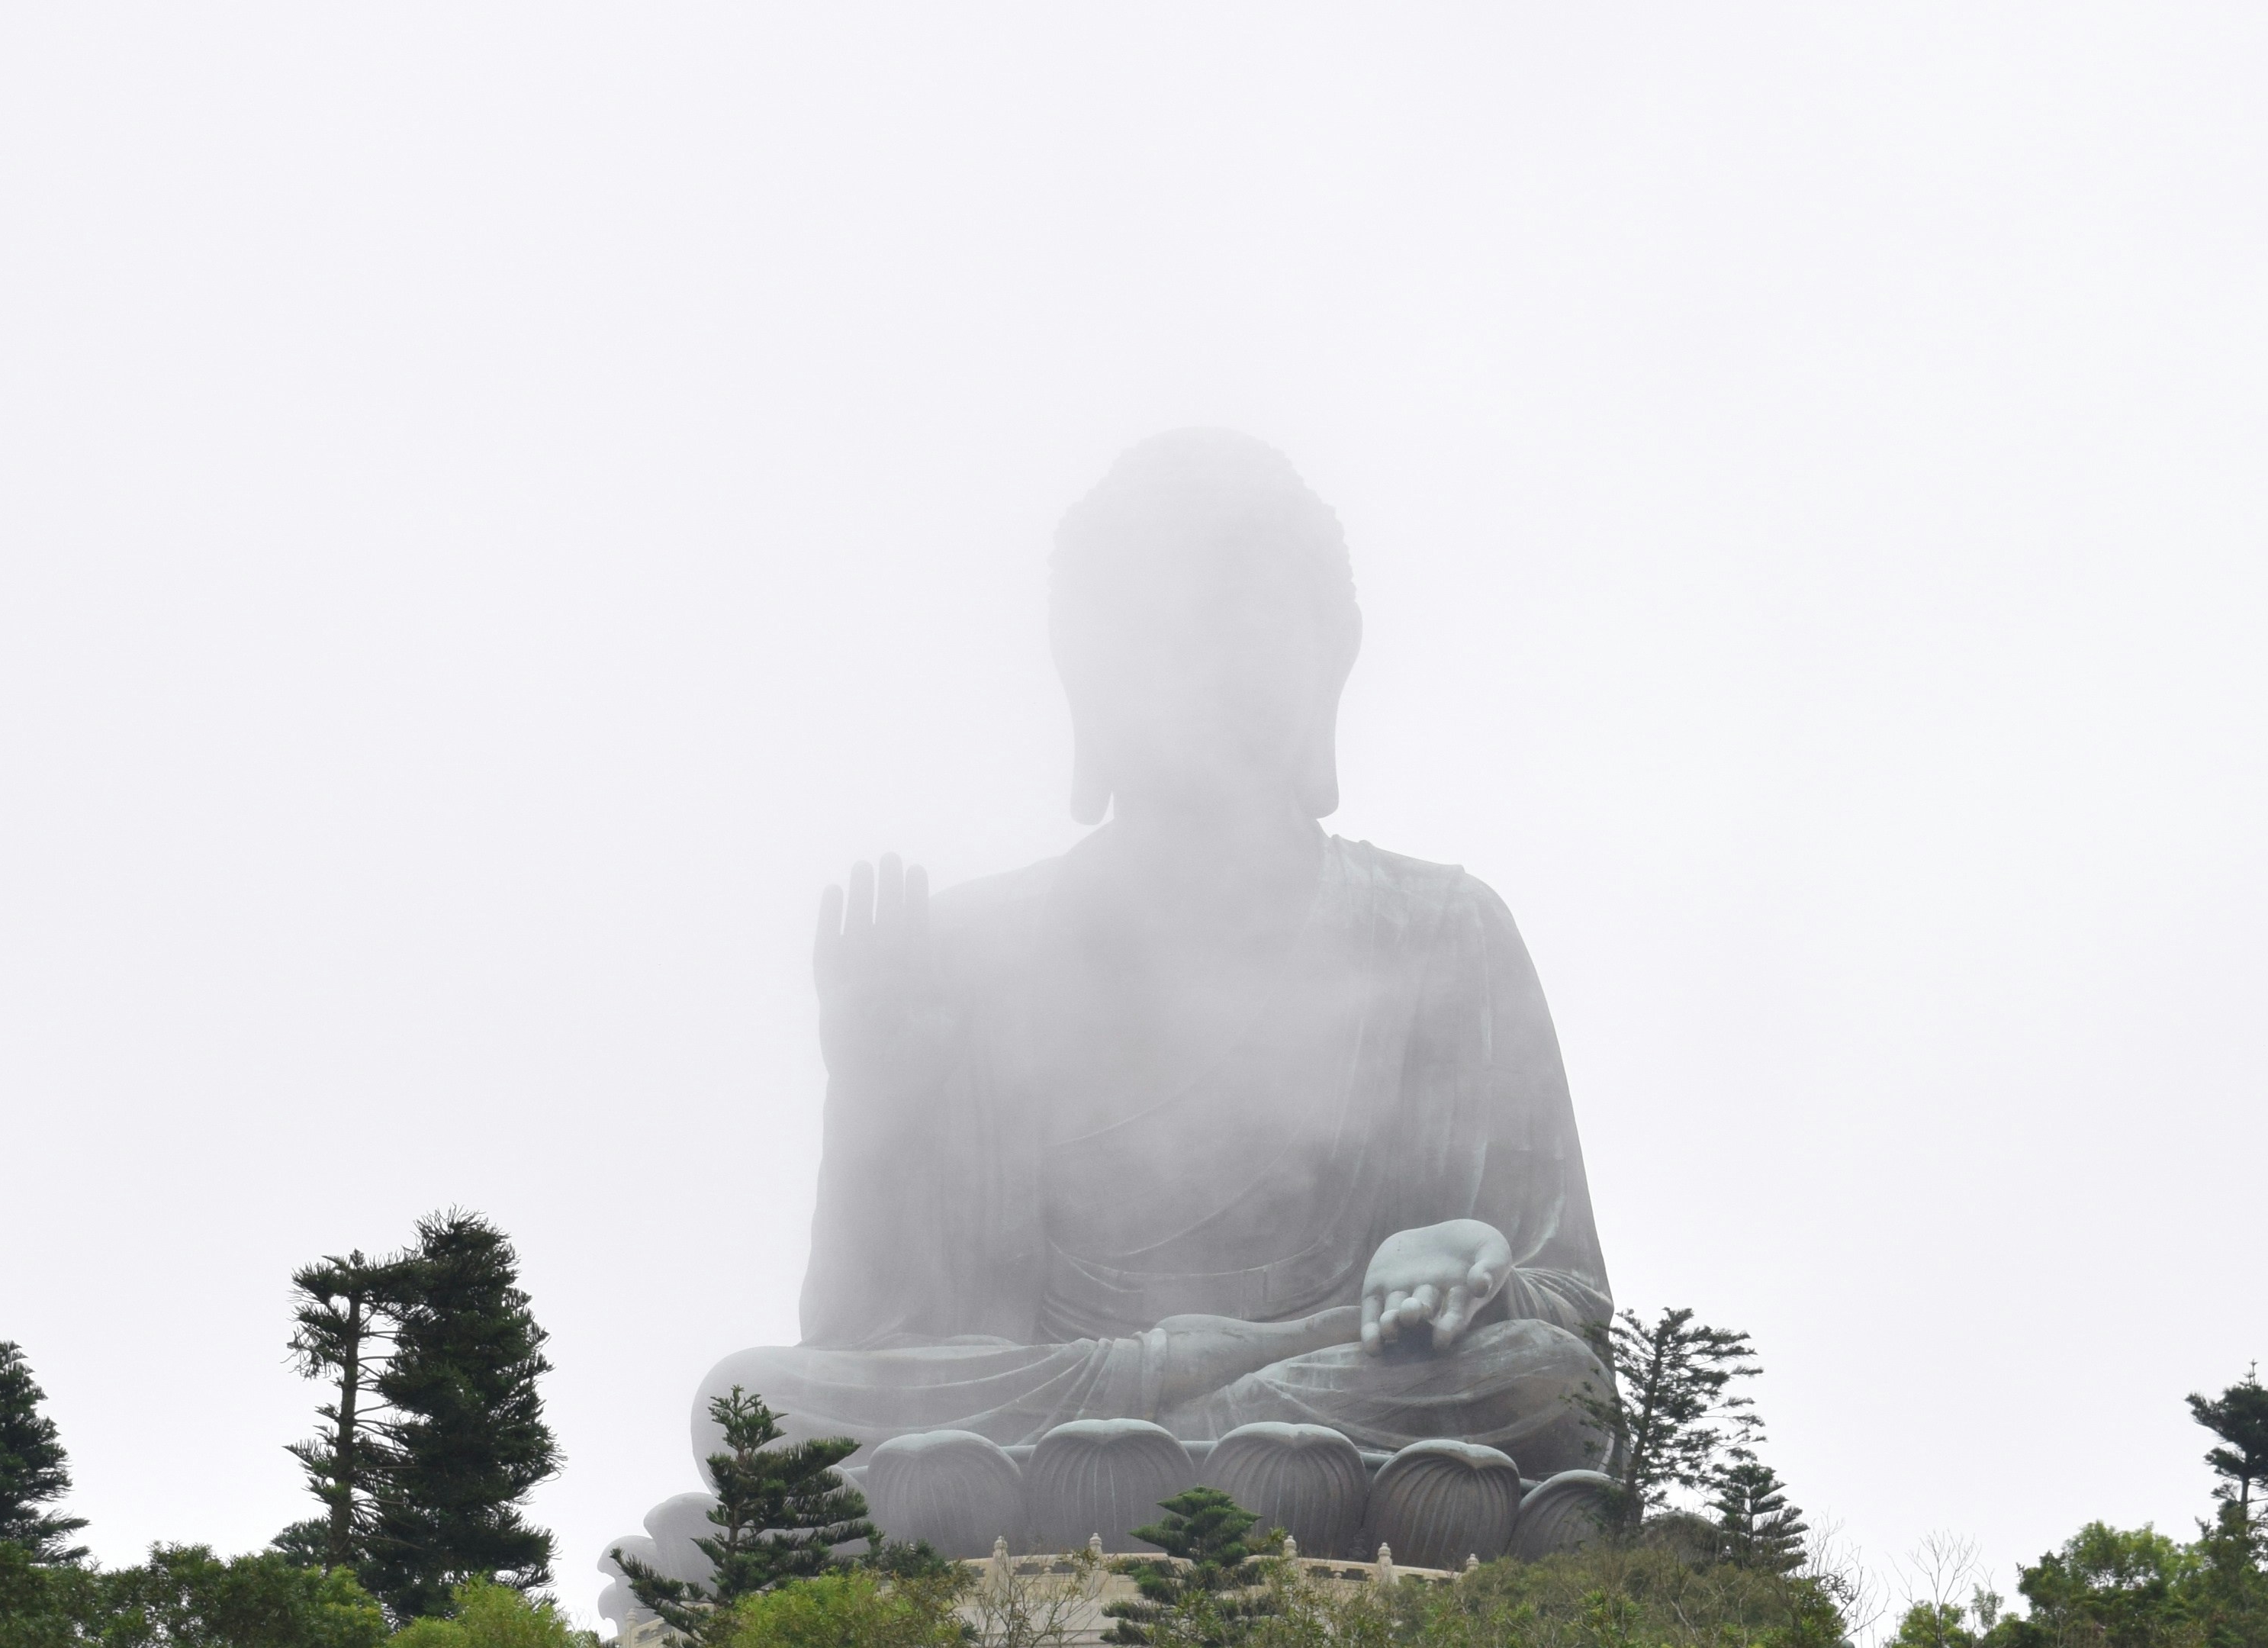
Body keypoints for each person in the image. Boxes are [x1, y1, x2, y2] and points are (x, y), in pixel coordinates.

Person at [692, 430, 1617, 1482]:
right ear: (1077, 665)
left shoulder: (1443, 931)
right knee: (751, 1408)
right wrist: (877, 1103)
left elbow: (1577, 1330)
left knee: (1540, 1383)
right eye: (1150, 623)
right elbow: (866, 1337)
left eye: (1246, 617)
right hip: (1130, 1417)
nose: (1198, 660)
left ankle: (1167, 1441)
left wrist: (1474, 1278)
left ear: (1332, 657)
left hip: (1328, 1409)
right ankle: (1191, 1433)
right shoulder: (966, 954)